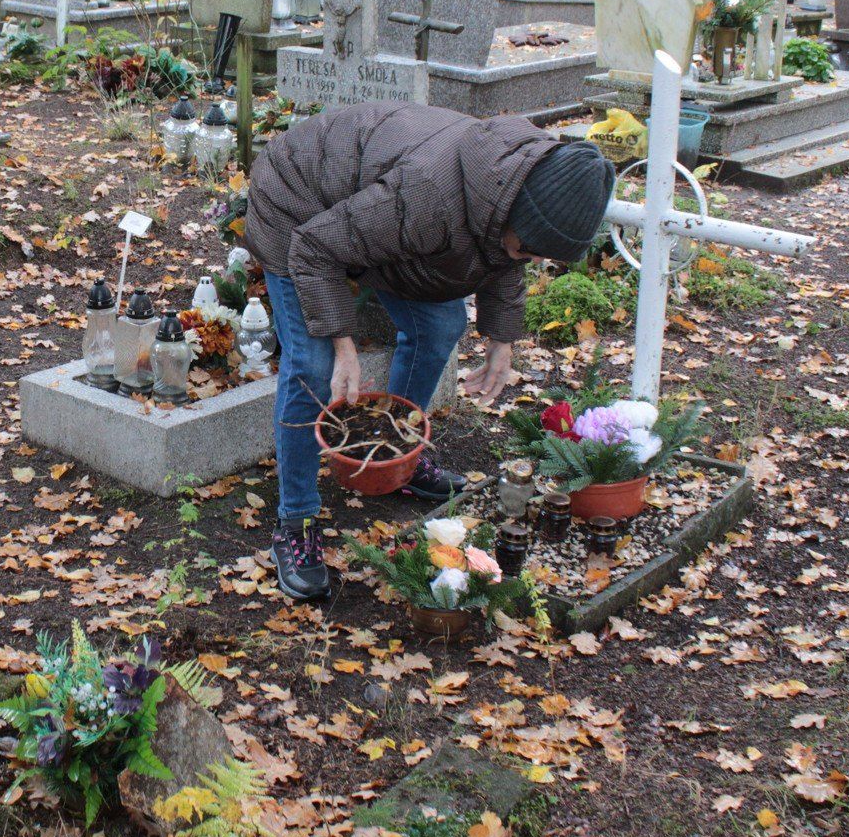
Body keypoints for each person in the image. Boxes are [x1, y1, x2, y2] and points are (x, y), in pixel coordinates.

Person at [243, 104, 615, 601]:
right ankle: (296, 520)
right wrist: (343, 345)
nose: (529, 260)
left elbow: (502, 259)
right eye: (528, 248)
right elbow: (316, 248)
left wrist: (501, 342)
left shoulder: (515, 184)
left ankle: (398, 459)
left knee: (440, 322)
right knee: (312, 366)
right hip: (297, 208)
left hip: (368, 223)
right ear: (511, 212)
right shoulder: (429, 194)